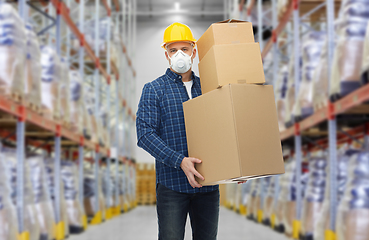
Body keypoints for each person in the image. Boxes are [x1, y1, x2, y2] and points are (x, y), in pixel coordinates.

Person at [136, 22, 219, 240]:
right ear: (166, 55)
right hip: (172, 187)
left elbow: (224, 130)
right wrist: (180, 160)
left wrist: (235, 168)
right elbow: (144, 134)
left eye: (184, 49)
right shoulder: (154, 89)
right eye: (173, 50)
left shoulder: (209, 88)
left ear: (194, 51)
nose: (179, 54)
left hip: (207, 186)